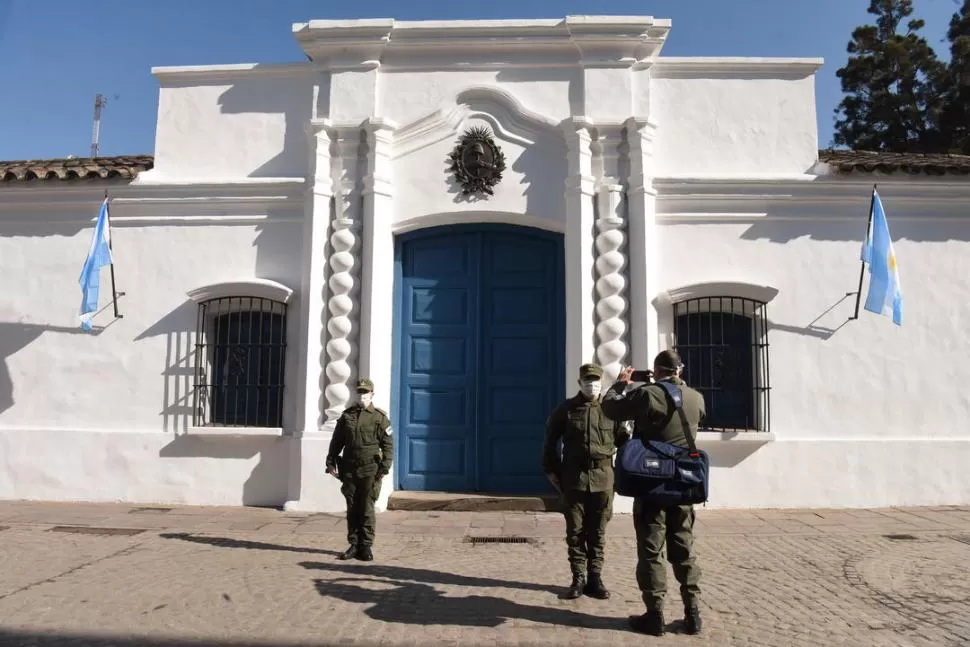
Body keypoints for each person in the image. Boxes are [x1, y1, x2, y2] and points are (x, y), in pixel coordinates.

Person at [601, 350, 706, 636]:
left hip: (653, 483)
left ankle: (655, 615)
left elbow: (610, 408)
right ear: (680, 371)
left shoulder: (648, 394)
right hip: (683, 484)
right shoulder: (697, 397)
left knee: (651, 551)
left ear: (657, 371)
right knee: (684, 548)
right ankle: (692, 613)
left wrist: (622, 383)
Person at [542, 363, 631, 600]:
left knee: (598, 531)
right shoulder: (567, 410)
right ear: (579, 383)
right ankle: (577, 578)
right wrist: (551, 471)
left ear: (601, 383)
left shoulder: (611, 410)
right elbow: (550, 441)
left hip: (603, 478)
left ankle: (595, 577)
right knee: (575, 531)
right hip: (574, 478)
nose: (592, 385)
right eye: (587, 381)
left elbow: (624, 443)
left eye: (595, 381)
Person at [325, 378, 393, 562]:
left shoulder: (380, 417)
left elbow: (388, 445)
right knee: (352, 507)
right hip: (349, 468)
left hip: (370, 469)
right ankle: (354, 544)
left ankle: (366, 546)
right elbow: (337, 441)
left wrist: (384, 468)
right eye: (360, 392)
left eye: (366, 392)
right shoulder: (347, 416)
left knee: (367, 508)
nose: (363, 395)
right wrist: (330, 461)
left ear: (372, 394)